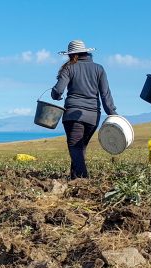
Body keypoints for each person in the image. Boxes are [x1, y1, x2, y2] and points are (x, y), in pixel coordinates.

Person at [50, 39, 117, 179]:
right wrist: (113, 114)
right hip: (93, 117)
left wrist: (55, 95)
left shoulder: (69, 67)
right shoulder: (99, 69)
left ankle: (83, 179)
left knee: (75, 147)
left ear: (71, 54)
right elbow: (105, 95)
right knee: (80, 148)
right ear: (86, 52)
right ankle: (74, 178)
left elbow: (58, 90)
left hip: (73, 115)